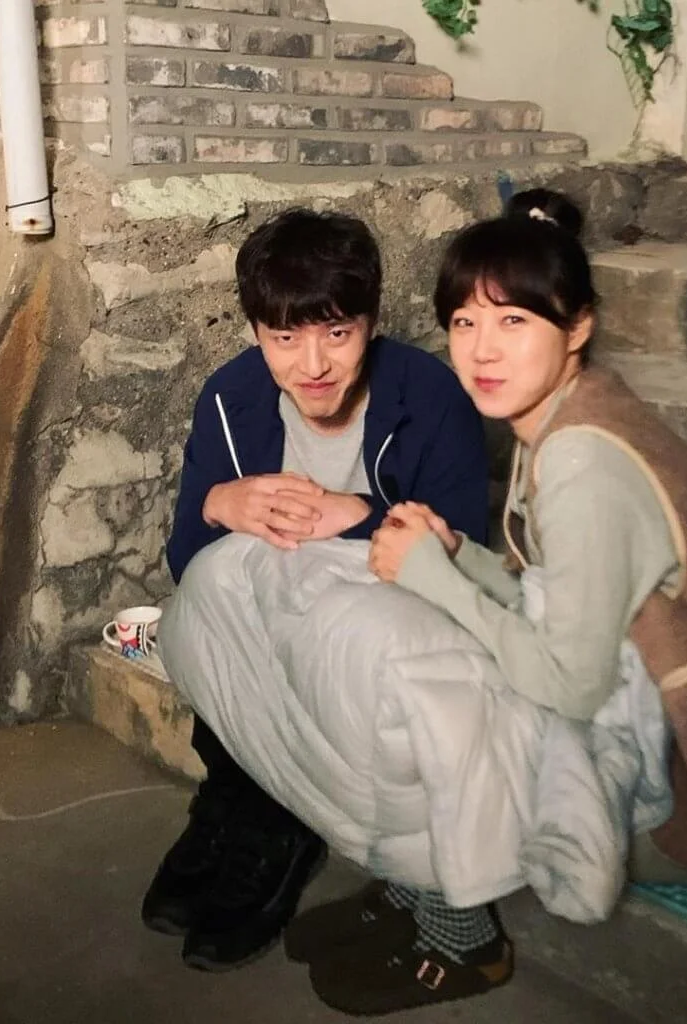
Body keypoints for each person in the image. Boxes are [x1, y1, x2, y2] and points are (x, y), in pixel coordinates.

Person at [287, 189, 687, 1015]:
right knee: (406, 641)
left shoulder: (581, 461)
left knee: (422, 684)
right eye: (464, 321)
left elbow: (571, 685)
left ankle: (454, 927)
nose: (482, 349)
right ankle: (410, 884)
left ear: (579, 326)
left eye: (515, 320)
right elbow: (556, 594)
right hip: (648, 703)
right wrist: (458, 558)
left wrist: (436, 579)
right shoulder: (563, 413)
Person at [143, 207, 490, 972]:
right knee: (217, 589)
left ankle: (278, 825)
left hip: (373, 638)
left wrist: (358, 516)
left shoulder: (428, 396)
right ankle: (233, 800)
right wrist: (216, 504)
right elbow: (188, 567)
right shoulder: (232, 399)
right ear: (256, 333)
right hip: (269, 627)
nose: (313, 366)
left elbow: (469, 561)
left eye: (337, 332)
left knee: (316, 614)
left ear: (371, 322)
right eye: (284, 338)